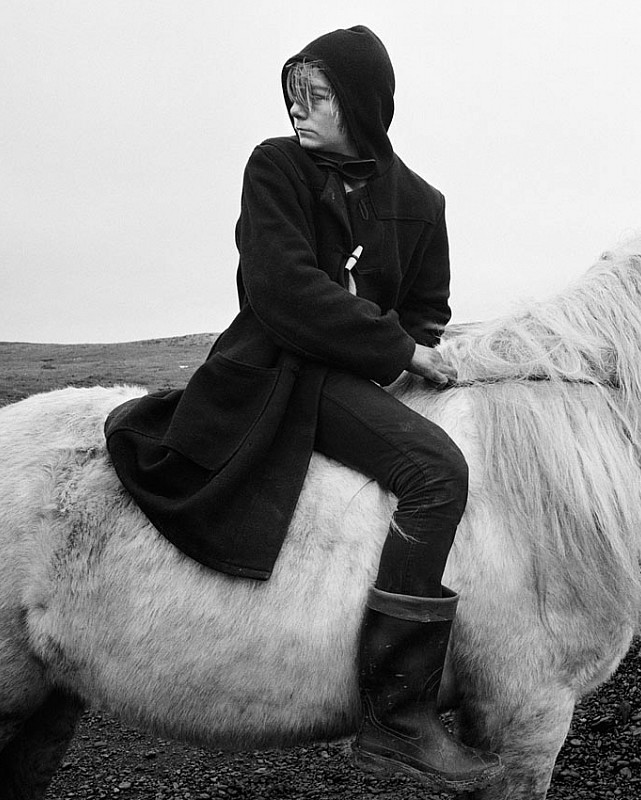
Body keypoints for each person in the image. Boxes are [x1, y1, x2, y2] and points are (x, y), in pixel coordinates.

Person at [105, 25, 504, 791]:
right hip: (272, 370)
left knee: (441, 460)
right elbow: (280, 291)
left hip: (351, 381)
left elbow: (427, 311)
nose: (300, 109)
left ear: (359, 102)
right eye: (294, 94)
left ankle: (413, 690)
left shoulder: (422, 202)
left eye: (317, 96)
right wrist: (390, 345)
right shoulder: (276, 167)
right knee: (437, 469)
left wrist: (388, 346)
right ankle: (398, 714)